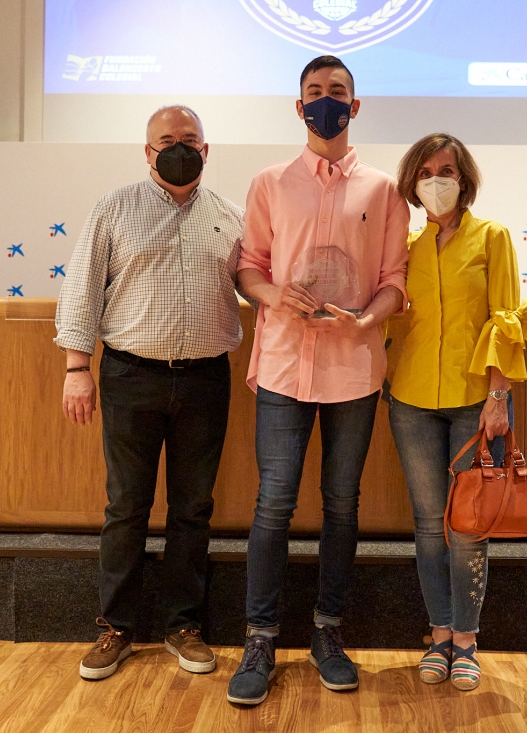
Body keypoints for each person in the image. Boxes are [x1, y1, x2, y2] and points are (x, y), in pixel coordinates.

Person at [226, 55, 410, 706]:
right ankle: (259, 639)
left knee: (341, 504)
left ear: (354, 107)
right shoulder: (270, 184)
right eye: (314, 91)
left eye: (337, 92)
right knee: (273, 504)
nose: (325, 100)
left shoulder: (384, 190)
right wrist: (273, 294)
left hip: (353, 368)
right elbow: (248, 267)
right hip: (283, 364)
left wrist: (367, 318)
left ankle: (329, 632)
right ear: (298, 105)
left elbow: (395, 280)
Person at [55, 105, 245, 681]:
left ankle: (183, 626)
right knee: (126, 506)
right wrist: (77, 366)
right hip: (130, 375)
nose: (178, 148)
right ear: (147, 151)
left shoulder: (230, 217)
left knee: (193, 508)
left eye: (190, 139)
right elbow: (82, 285)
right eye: (166, 140)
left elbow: (257, 284)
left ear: (206, 150)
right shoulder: (114, 208)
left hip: (206, 378)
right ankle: (116, 627)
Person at [387, 133, 527, 691]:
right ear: (413, 182)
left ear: (464, 178)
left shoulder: (491, 237)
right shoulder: (405, 245)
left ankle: (466, 641)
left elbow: (506, 317)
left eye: (447, 170)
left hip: (476, 403)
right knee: (430, 525)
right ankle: (438, 634)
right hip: (410, 400)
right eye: (426, 172)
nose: (437, 180)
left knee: (469, 526)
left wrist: (499, 397)